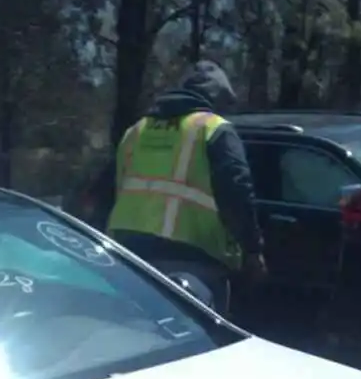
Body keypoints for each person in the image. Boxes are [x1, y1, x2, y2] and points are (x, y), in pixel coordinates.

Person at [99, 61, 266, 315]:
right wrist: (253, 250)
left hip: (128, 257)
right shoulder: (214, 129)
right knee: (200, 342)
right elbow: (238, 193)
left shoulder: (136, 131)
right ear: (216, 97)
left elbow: (105, 191)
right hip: (194, 258)